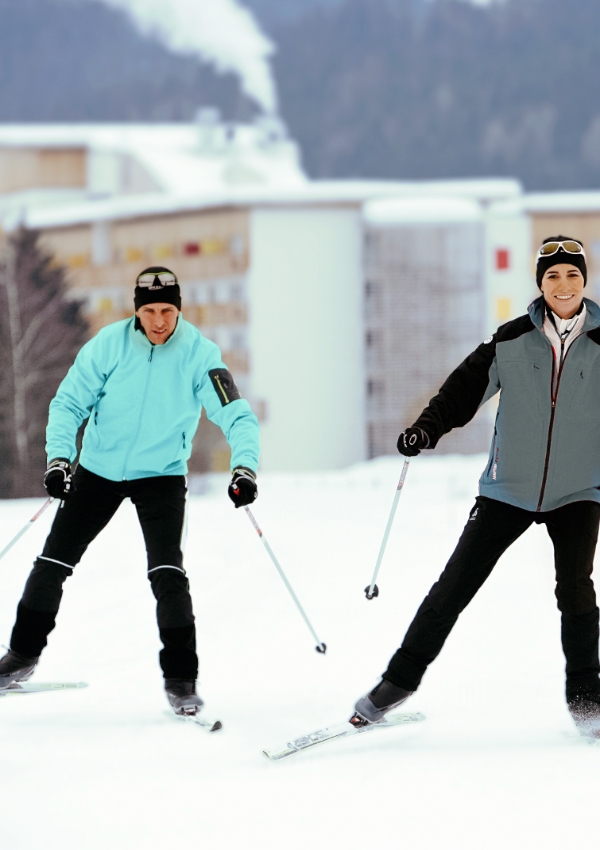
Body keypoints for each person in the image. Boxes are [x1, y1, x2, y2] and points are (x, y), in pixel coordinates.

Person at [353, 236, 600, 736]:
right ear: (540, 284)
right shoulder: (511, 340)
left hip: (578, 491)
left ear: (584, 281)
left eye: (572, 274)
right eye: (553, 276)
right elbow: (462, 390)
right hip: (507, 488)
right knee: (455, 584)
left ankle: (587, 702)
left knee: (576, 591)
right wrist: (426, 429)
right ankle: (397, 682)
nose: (563, 285)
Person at [0, 266, 260, 715]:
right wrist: (59, 459)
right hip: (98, 470)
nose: (159, 321)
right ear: (137, 311)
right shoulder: (108, 345)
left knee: (167, 573)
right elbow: (68, 403)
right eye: (149, 311)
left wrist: (245, 469)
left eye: (167, 311)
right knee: (53, 562)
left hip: (161, 476)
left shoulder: (200, 354)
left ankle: (181, 682)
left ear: (179, 310)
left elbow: (237, 415)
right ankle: (21, 656)